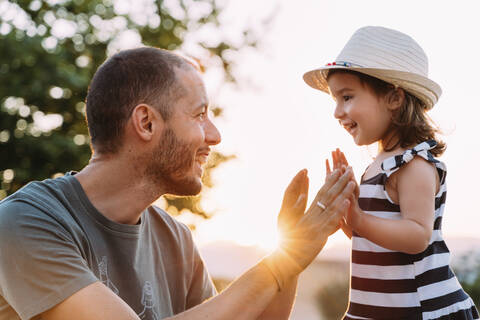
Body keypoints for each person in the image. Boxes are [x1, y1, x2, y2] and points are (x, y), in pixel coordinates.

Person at [0, 47, 356, 320]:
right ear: (146, 123)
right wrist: (286, 258)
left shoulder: (176, 240)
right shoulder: (23, 224)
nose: (214, 136)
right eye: (200, 115)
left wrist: (292, 257)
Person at [303, 26, 480, 319]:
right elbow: (374, 241)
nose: (337, 112)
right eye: (335, 100)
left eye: (347, 97)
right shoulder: (378, 166)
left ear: (394, 99)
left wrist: (359, 218)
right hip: (378, 309)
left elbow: (417, 236)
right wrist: (347, 216)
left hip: (420, 309)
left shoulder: (414, 165)